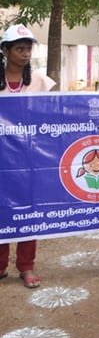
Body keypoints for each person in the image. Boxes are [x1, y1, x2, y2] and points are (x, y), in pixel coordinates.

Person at [0, 24, 56, 288]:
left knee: (27, 214)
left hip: (29, 161)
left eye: (28, 49)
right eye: (19, 48)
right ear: (6, 51)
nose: (24, 54)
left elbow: (52, 118)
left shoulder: (40, 83)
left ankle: (26, 266)